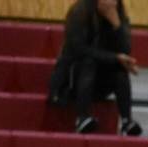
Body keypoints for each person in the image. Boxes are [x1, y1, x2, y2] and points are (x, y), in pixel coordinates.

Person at [48, 0, 142, 136]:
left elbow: (125, 50)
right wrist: (114, 58)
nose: (111, 2)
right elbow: (78, 50)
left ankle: (127, 121)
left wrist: (116, 23)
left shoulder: (117, 13)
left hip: (98, 81)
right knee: (89, 62)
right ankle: (82, 118)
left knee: (119, 69)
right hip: (72, 80)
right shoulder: (79, 11)